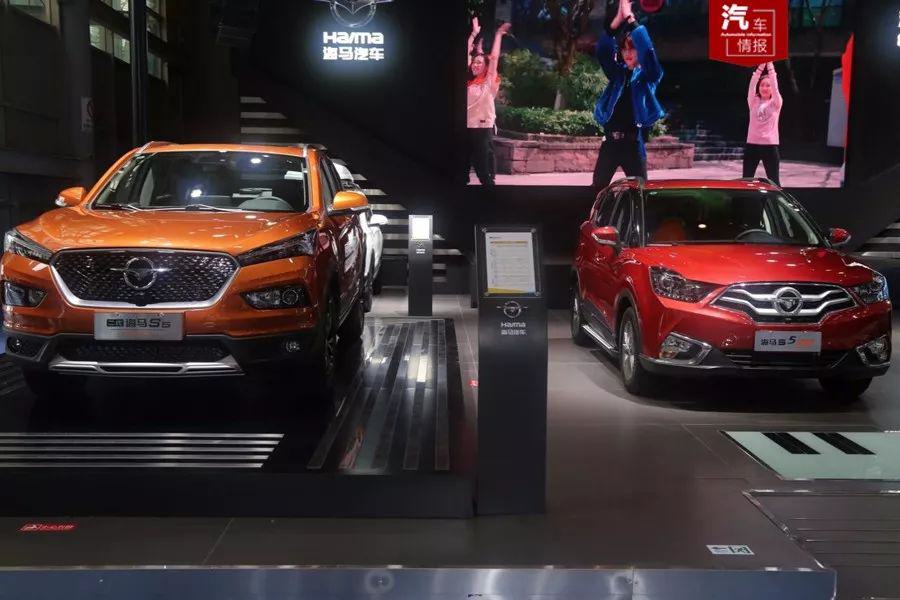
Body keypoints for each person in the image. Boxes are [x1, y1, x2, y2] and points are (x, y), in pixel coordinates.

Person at [592, 0, 665, 191]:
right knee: (597, 191)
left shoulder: (649, 76)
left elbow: (648, 52)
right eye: (624, 48)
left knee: (640, 194)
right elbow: (603, 51)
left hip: (633, 145)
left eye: (632, 48)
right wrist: (617, 21)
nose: (627, 53)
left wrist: (630, 18)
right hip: (610, 144)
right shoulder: (618, 75)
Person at [467, 18, 511, 187]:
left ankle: (490, 193)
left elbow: (493, 59)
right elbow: (466, 54)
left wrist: (499, 35)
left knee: (483, 171)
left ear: (485, 67)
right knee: (462, 169)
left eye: (479, 63)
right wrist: (473, 34)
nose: (474, 65)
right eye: (473, 62)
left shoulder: (488, 82)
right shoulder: (468, 82)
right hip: (465, 128)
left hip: (481, 128)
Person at [743, 62, 783, 185]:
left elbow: (775, 87)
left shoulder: (776, 103)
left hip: (770, 146)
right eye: (762, 85)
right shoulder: (753, 101)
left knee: (774, 182)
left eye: (768, 85)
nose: (764, 88)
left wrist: (770, 66)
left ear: (772, 88)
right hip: (752, 145)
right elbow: (752, 86)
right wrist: (760, 67)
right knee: (746, 181)